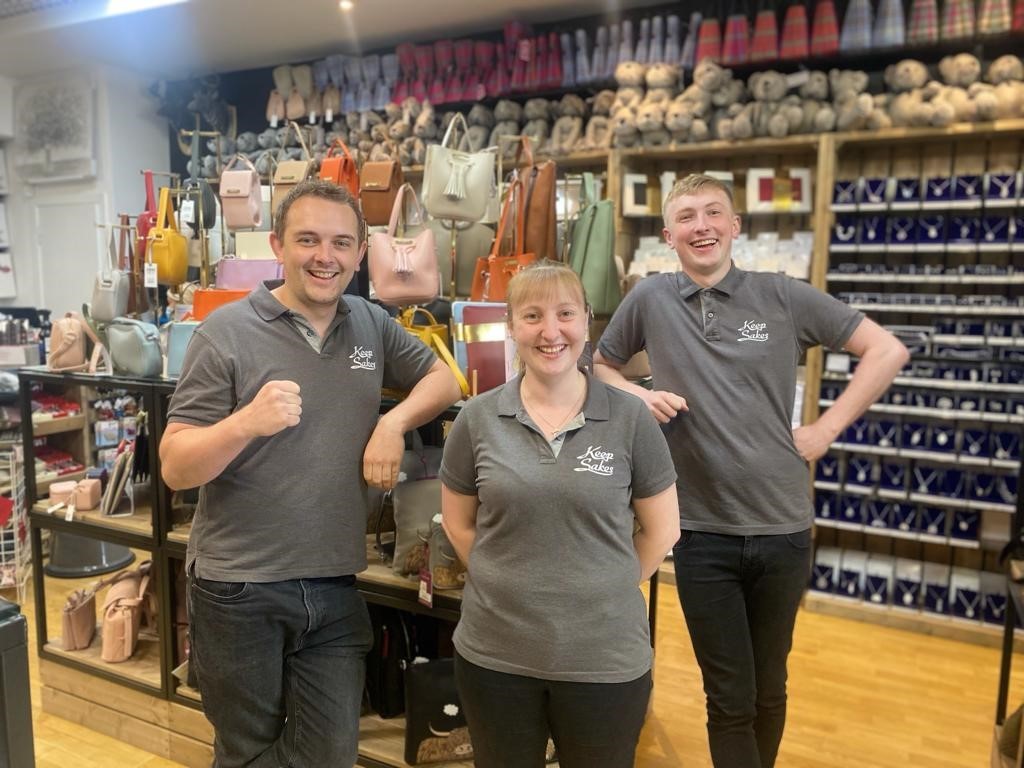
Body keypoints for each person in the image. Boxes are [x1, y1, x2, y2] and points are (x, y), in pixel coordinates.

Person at [594, 173, 909, 768]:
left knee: (770, 689)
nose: (702, 226)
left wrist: (826, 429)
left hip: (783, 527)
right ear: (669, 235)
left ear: (736, 226)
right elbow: (602, 365)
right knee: (730, 697)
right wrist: (638, 395)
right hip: (701, 532)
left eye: (714, 213)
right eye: (687, 217)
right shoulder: (651, 298)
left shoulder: (782, 295)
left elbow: (886, 349)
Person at [160, 179, 462, 768]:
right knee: (246, 749)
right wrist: (245, 423)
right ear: (277, 245)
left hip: (333, 582)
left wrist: (391, 424)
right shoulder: (225, 333)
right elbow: (175, 467)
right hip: (240, 587)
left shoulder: (369, 324)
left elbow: (445, 380)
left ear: (360, 252)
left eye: (341, 243)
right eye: (308, 240)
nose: (325, 256)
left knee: (330, 753)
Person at [440, 261, 680, 768]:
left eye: (565, 313)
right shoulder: (478, 418)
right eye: (532, 316)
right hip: (496, 657)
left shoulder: (631, 418)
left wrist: (603, 584)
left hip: (605, 663)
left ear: (587, 321)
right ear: (511, 326)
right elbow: (459, 525)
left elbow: (662, 532)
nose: (551, 332)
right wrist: (500, 578)